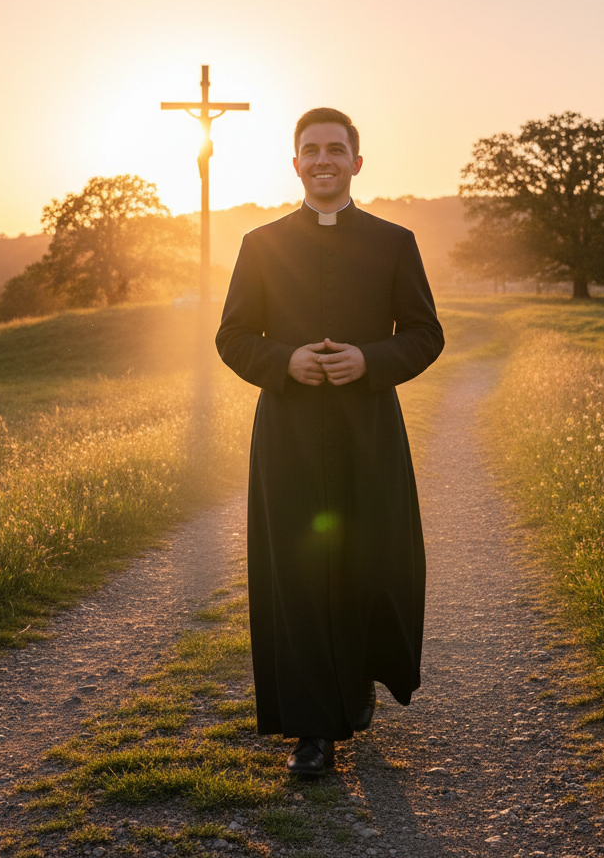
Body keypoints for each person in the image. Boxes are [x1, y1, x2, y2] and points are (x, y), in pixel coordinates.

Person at [215, 107, 444, 775]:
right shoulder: (260, 245)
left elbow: (425, 334)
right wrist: (282, 361)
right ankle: (313, 733)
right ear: (295, 163)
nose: (323, 160)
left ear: (356, 162)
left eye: (335, 150)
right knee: (301, 575)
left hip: (370, 431)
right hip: (288, 436)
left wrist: (369, 360)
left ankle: (361, 681)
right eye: (310, 150)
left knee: (374, 567)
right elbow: (232, 337)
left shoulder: (395, 242)